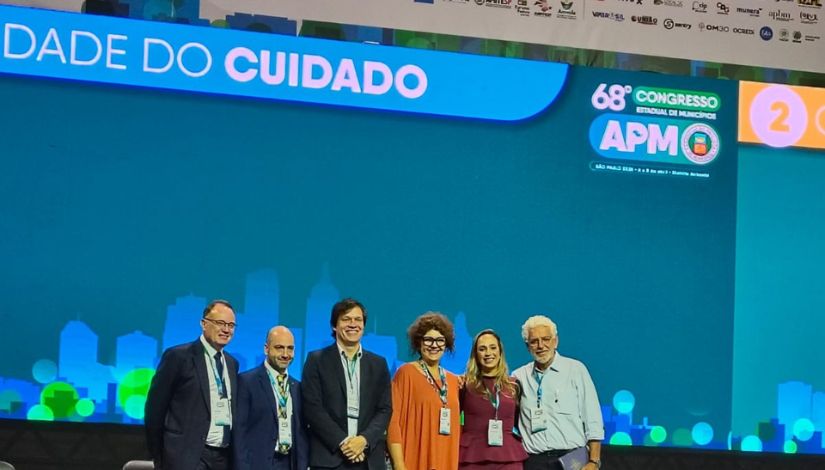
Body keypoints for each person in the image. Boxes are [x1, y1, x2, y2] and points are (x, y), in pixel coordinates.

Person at [145, 299, 240, 470]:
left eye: (231, 325)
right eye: (220, 323)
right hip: (185, 457)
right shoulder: (178, 357)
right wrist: (159, 455)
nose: (226, 330)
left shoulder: (232, 364)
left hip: (222, 457)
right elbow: (155, 409)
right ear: (204, 324)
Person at [302, 298, 392, 469]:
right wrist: (344, 442)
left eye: (358, 320)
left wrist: (363, 441)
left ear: (363, 326)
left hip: (368, 459)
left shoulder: (378, 364)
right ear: (334, 326)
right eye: (346, 319)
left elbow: (385, 409)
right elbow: (312, 408)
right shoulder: (316, 360)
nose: (353, 324)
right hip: (330, 457)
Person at [512, 315, 604, 470]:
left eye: (546, 339)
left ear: (556, 341)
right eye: (534, 341)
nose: (541, 345)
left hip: (572, 460)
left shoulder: (576, 370)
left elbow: (593, 419)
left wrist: (594, 461)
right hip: (534, 462)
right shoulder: (519, 377)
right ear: (527, 346)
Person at [388, 312, 461, 470]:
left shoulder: (454, 381)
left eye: (440, 340)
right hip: (413, 461)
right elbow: (393, 422)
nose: (434, 345)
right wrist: (399, 464)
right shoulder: (406, 373)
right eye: (428, 339)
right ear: (418, 342)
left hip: (446, 460)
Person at [234, 326, 309, 470]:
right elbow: (239, 433)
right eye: (279, 348)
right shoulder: (247, 382)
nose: (285, 354)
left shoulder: (298, 387)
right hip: (258, 464)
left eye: (290, 348)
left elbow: (302, 433)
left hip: (289, 463)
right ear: (266, 349)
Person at [459, 329, 528, 470]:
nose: (488, 353)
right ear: (475, 355)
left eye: (493, 347)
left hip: (509, 458)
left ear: (500, 352)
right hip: (471, 458)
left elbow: (518, 421)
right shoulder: (464, 385)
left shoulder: (514, 385)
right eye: (482, 349)